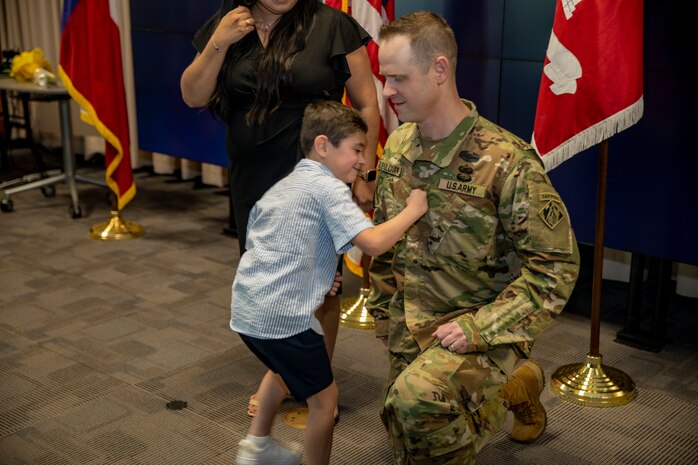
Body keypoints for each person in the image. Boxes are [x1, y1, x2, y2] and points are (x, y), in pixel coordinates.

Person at [367, 11, 581, 465]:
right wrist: (384, 310)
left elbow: (556, 267)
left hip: (481, 324)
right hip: (414, 322)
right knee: (400, 429)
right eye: (385, 78)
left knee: (417, 404)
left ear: (439, 70)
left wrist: (478, 328)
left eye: (398, 78)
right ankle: (518, 386)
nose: (387, 91)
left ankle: (505, 373)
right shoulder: (400, 148)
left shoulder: (507, 162)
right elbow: (390, 242)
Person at [180, 0, 381, 417]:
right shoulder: (229, 22)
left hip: (312, 179)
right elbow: (193, 95)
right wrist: (219, 42)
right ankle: (287, 371)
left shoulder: (332, 25)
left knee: (318, 283)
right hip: (253, 179)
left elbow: (366, 104)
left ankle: (315, 381)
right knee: (268, 278)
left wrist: (365, 172)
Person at [231, 100, 427, 465]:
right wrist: (413, 210)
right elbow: (374, 242)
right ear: (323, 146)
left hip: (248, 311)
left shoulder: (288, 184)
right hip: (282, 318)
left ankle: (257, 446)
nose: (362, 161)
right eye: (355, 149)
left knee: (282, 368)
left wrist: (315, 274)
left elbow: (267, 238)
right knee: (325, 400)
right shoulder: (329, 189)